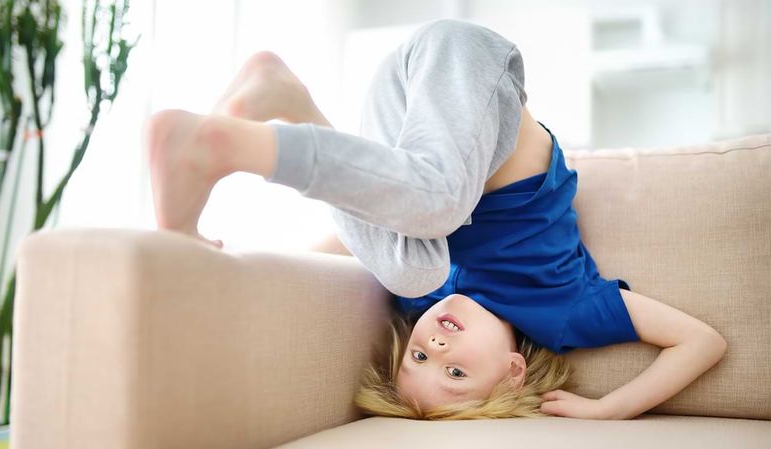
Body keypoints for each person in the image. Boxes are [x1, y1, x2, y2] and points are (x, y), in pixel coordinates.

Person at [142, 18, 727, 420]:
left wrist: (244, 278)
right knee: (435, 216)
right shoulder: (568, 312)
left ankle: (286, 104)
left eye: (419, 357)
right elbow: (702, 341)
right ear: (514, 373)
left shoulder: (429, 292)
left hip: (406, 109)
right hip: (472, 72)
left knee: (411, 267)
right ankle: (233, 144)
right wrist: (607, 409)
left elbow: (350, 238)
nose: (435, 346)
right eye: (456, 375)